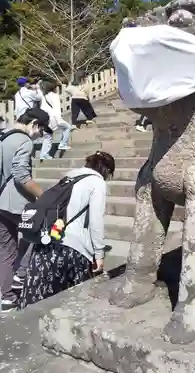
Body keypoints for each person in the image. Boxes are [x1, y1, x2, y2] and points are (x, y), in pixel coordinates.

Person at [20, 151, 115, 308]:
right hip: (71, 250)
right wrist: (99, 253)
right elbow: (96, 221)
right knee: (70, 302)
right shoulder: (97, 183)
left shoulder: (69, 177)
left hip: (47, 240)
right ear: (107, 170)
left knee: (38, 298)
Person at [0, 108, 49, 312]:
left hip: (1, 203)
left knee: (5, 251)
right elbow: (21, 174)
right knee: (36, 235)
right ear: (35, 123)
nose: (39, 135)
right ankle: (20, 277)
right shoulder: (24, 140)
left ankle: (6, 298)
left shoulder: (4, 137)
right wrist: (43, 195)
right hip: (17, 203)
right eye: (42, 130)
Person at [40, 81, 72, 160]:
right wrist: (59, 120)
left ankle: (43, 154)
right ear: (53, 88)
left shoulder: (44, 96)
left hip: (45, 119)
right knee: (67, 127)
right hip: (54, 118)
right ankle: (63, 144)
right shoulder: (54, 96)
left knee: (48, 137)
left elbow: (42, 108)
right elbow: (57, 109)